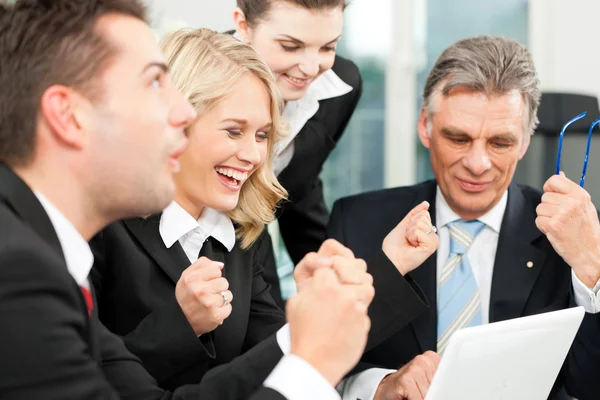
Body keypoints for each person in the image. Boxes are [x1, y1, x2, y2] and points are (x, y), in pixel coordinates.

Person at [0, 1, 375, 399]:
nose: (180, 111)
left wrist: (304, 340)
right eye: (153, 84)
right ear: (70, 116)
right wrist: (310, 369)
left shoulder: (51, 256)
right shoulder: (17, 268)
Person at [90, 28, 437, 395]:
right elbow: (83, 378)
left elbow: (281, 357)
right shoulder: (100, 226)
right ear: (177, 123)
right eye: (234, 131)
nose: (254, 156)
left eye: (261, 136)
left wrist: (387, 267)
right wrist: (181, 324)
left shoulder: (242, 234)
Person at [327, 35, 600, 400]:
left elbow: (590, 384)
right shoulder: (356, 221)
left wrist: (591, 268)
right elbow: (316, 362)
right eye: (458, 138)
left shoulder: (570, 238)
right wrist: (379, 385)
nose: (477, 164)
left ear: (524, 141)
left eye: (500, 142)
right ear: (425, 125)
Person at [232, 0, 362, 305]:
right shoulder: (193, 76)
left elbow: (299, 183)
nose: (310, 68)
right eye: (290, 46)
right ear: (243, 25)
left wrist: (326, 265)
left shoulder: (341, 86)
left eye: (328, 48)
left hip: (257, 246)